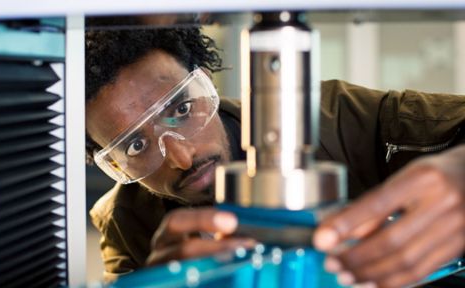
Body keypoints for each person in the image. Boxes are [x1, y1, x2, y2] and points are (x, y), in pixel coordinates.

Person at [85, 25, 465, 287]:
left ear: (206, 83)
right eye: (135, 146)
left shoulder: (348, 118)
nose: (181, 157)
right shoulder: (125, 223)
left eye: (181, 110)